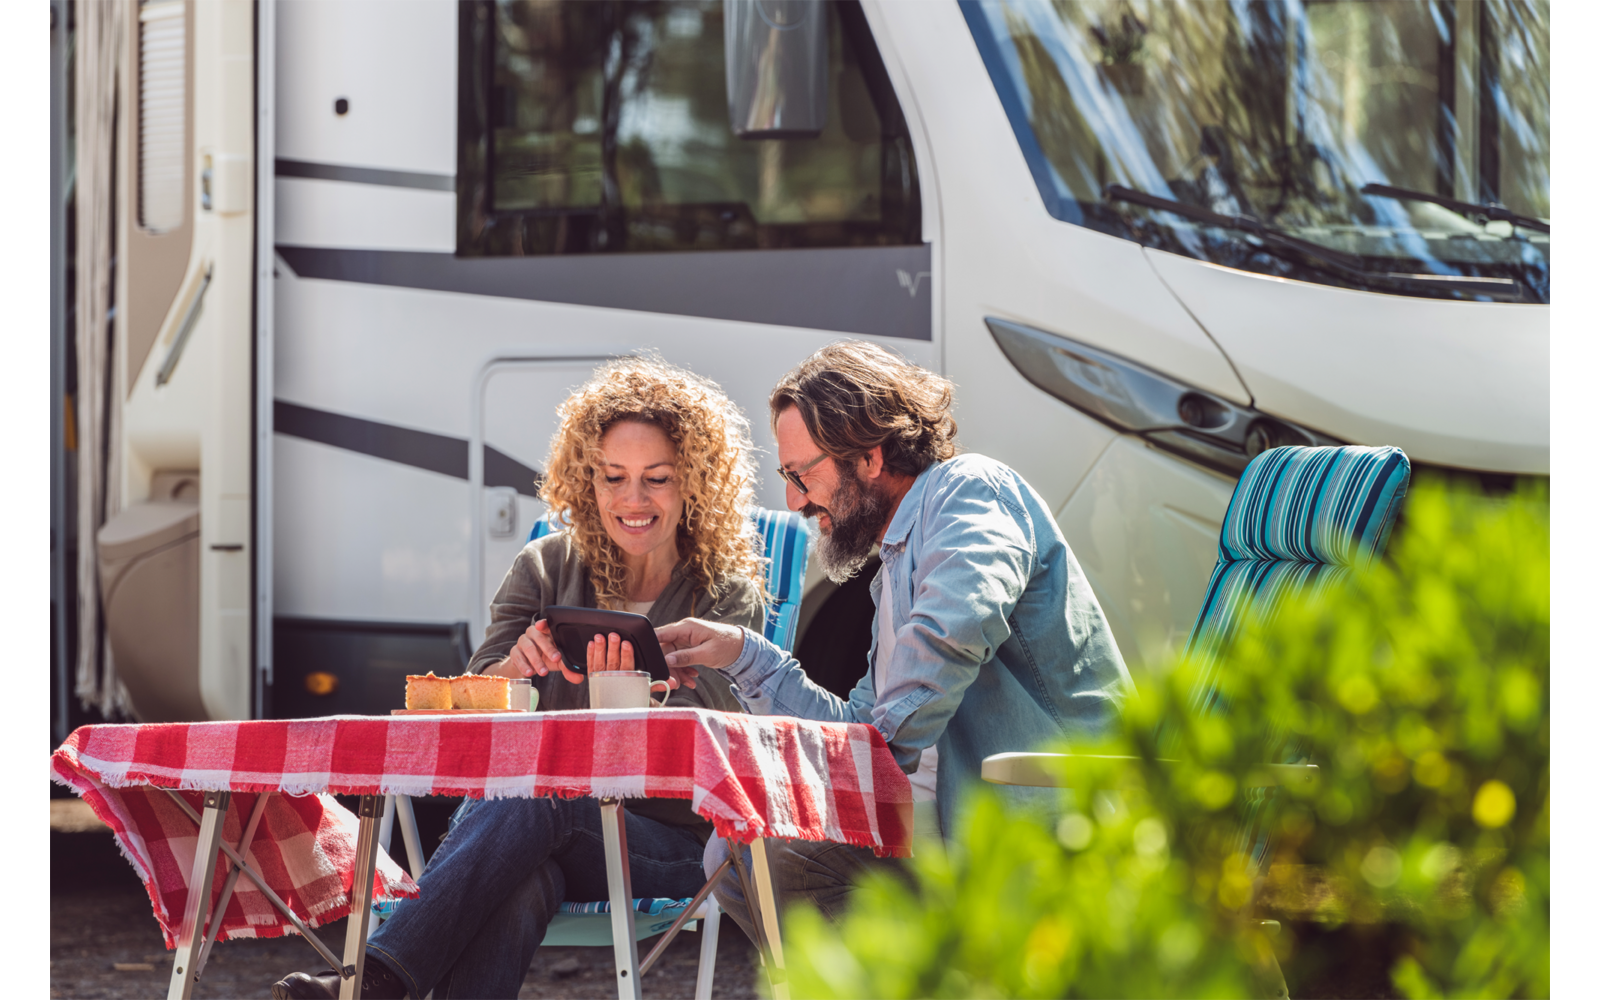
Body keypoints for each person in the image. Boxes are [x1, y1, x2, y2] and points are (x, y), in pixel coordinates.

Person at [272, 358, 768, 999]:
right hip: (531, 833)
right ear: (587, 479)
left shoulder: (724, 594)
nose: (632, 500)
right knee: (525, 875)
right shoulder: (545, 566)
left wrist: (622, 702)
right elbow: (471, 719)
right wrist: (514, 670)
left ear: (693, 482)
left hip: (666, 840)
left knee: (539, 796)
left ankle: (368, 984)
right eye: (613, 476)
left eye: (658, 479)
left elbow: (721, 740)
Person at [656, 340, 1134, 932]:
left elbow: (956, 626)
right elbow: (861, 725)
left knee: (785, 852)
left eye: (802, 473)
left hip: (1044, 819)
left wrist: (868, 770)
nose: (793, 500)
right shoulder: (895, 565)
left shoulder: (970, 489)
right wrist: (744, 656)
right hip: (941, 826)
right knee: (732, 856)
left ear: (871, 457)